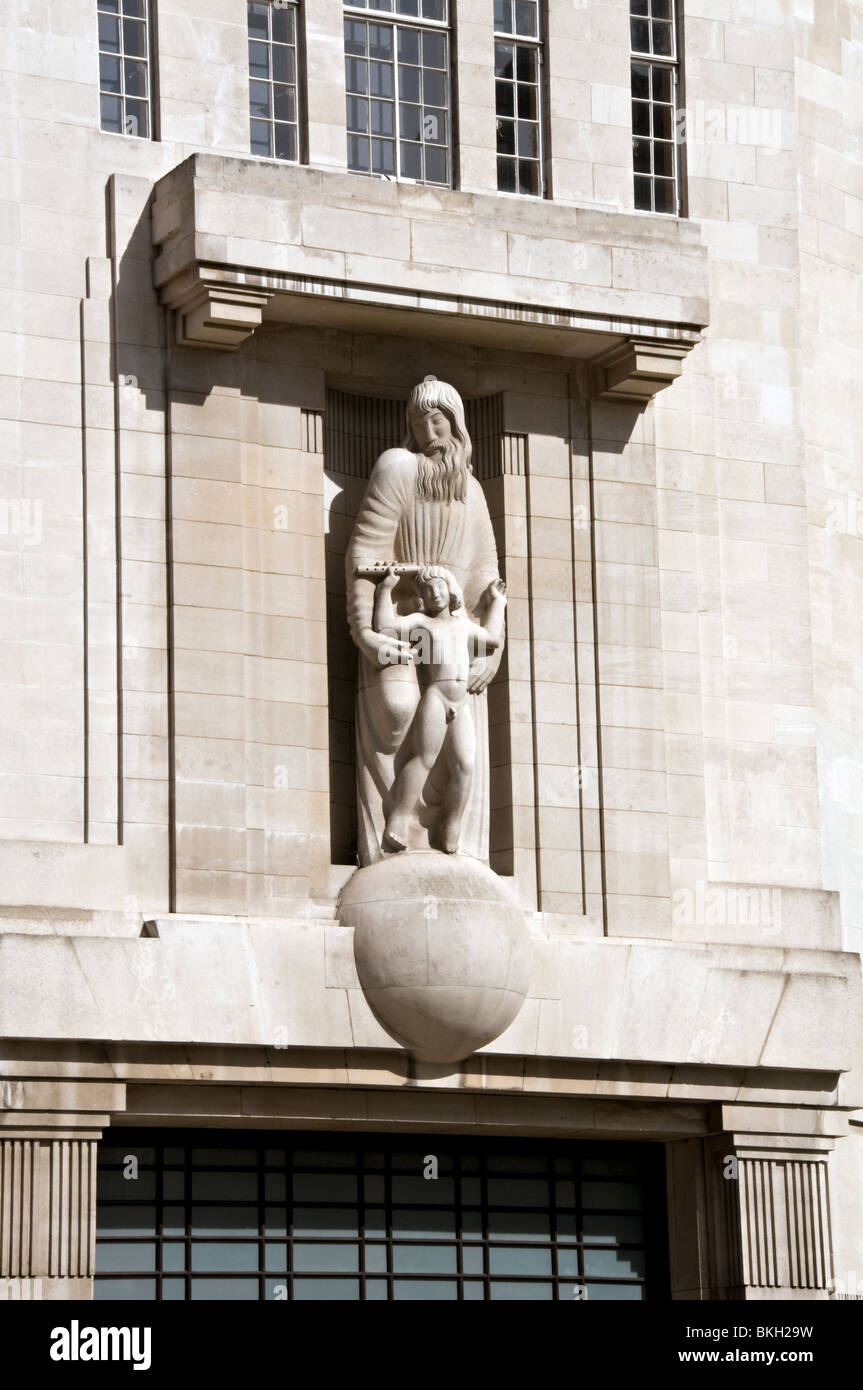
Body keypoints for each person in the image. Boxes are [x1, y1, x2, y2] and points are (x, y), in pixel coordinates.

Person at [345, 376, 504, 864]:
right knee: (397, 708)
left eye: (438, 421)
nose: (428, 432)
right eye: (418, 423)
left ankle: (447, 835)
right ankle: (395, 820)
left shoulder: (473, 492)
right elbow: (364, 555)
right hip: (404, 624)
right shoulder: (397, 467)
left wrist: (492, 660)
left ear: (456, 425)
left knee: (465, 762)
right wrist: (366, 635)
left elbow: (486, 581)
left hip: (454, 642)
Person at [371, 564, 506, 854]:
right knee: (424, 758)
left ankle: (452, 823)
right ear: (422, 597)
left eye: (439, 587)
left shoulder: (465, 627)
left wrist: (498, 602)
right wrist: (385, 588)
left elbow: (492, 640)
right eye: (427, 590)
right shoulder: (422, 623)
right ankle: (399, 817)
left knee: (465, 766)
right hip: (437, 696)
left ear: (450, 588)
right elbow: (385, 626)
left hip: (461, 702)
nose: (435, 594)